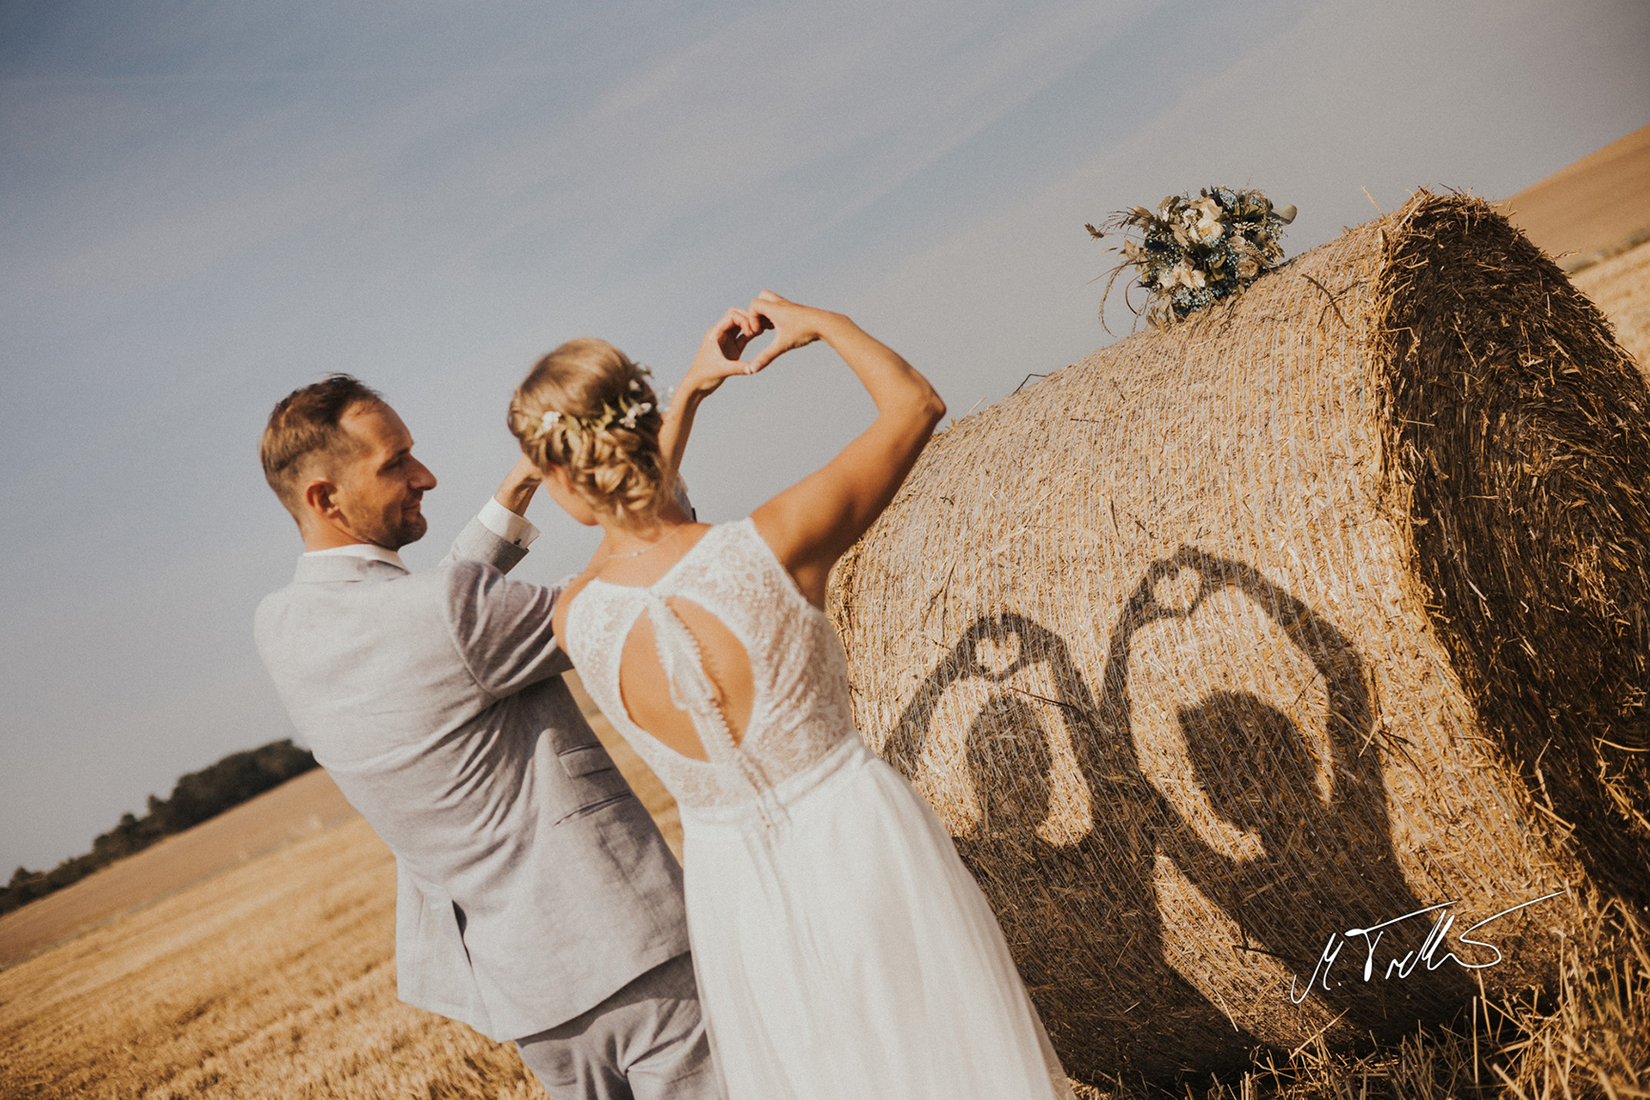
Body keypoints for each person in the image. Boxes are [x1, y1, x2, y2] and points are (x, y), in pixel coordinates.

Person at [508, 291, 1076, 1099]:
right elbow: (917, 404)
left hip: (735, 892)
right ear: (635, 434)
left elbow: (625, 527)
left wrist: (687, 400)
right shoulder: (774, 544)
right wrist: (823, 326)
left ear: (561, 475)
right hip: (857, 840)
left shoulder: (576, 616)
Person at [253, 373, 727, 1100]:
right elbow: (639, 588)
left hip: (525, 996)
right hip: (630, 952)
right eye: (395, 463)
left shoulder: (282, 627)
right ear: (324, 496)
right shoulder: (444, 615)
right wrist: (657, 449)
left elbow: (433, 617)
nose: (426, 476)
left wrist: (519, 486)